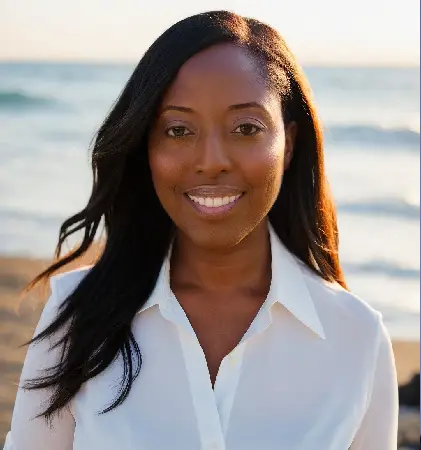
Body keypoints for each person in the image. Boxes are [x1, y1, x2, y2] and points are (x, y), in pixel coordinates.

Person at [4, 10, 398, 450]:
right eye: (178, 130)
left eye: (246, 128)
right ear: (146, 147)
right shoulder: (75, 320)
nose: (211, 160)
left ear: (288, 144)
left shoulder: (357, 339)